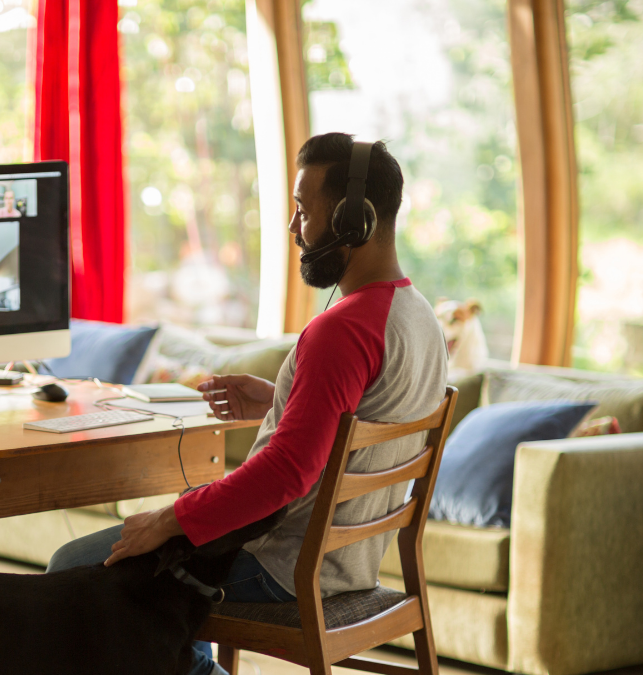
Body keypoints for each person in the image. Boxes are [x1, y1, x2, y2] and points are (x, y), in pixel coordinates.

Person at [45, 133, 448, 675]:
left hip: (285, 568)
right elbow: (359, 425)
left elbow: (286, 473)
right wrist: (281, 400)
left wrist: (169, 520)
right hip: (349, 565)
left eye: (303, 211)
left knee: (71, 568)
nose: (294, 228)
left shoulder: (343, 330)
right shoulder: (416, 316)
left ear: (355, 220)